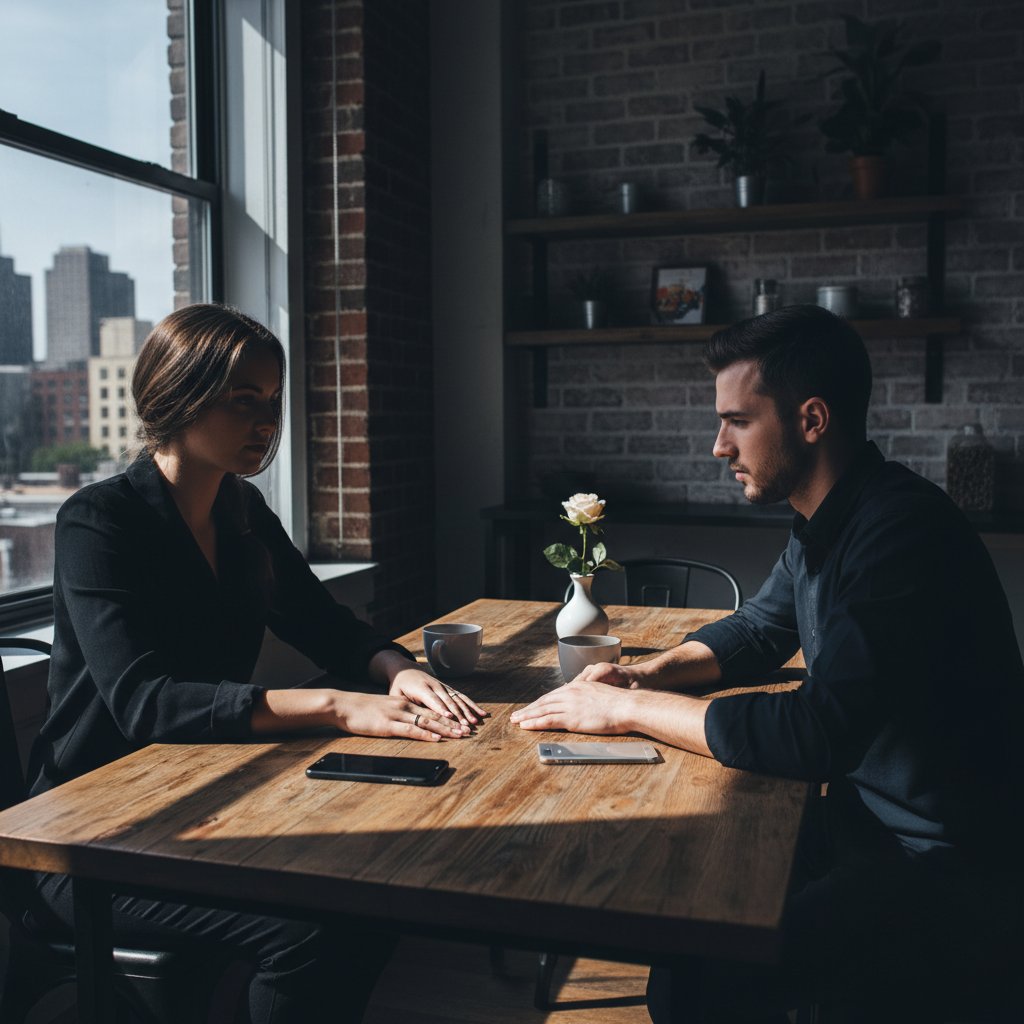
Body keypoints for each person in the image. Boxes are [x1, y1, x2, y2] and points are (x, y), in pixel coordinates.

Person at [512, 305, 1024, 1021]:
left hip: (943, 864)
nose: (719, 445)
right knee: (684, 949)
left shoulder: (900, 534)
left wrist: (627, 711)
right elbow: (758, 628)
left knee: (703, 984)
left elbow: (817, 731)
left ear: (811, 420)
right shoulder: (829, 519)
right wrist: (642, 676)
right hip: (862, 823)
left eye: (737, 421)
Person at [27, 303, 487, 1023]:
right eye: (244, 401)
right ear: (177, 395)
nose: (267, 421)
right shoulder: (97, 520)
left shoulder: (243, 511)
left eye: (272, 401)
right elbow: (144, 702)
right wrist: (337, 705)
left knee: (370, 897)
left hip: (208, 793)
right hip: (91, 836)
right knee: (317, 928)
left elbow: (322, 624)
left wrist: (396, 669)